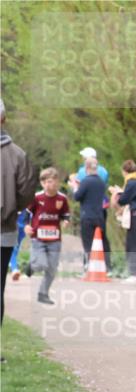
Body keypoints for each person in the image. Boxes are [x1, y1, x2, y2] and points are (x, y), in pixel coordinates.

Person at [1, 98, 37, 327]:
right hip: (5, 230)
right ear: (4, 119)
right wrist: (12, 207)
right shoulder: (18, 155)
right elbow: (27, 193)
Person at [25, 167, 70, 304]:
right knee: (41, 264)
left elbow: (65, 213)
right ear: (43, 183)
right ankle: (31, 266)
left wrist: (66, 221)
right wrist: (26, 226)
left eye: (55, 181)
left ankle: (43, 294)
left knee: (51, 268)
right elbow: (26, 213)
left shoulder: (62, 198)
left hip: (55, 239)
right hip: (38, 237)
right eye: (49, 182)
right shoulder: (37, 197)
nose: (53, 184)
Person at [110, 160, 136, 283]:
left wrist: (116, 193)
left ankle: (134, 274)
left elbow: (123, 200)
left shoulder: (131, 183)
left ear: (124, 171)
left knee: (132, 244)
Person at [71, 156, 110, 272]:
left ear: (86, 168)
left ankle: (88, 266)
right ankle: (107, 266)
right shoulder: (101, 182)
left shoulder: (86, 181)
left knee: (88, 242)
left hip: (87, 216)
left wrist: (75, 187)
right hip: (100, 216)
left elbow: (77, 197)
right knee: (102, 241)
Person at [7, 208, 29, 281]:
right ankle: (14, 267)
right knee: (14, 249)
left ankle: (14, 268)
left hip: (14, 226)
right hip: (22, 227)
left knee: (12, 249)